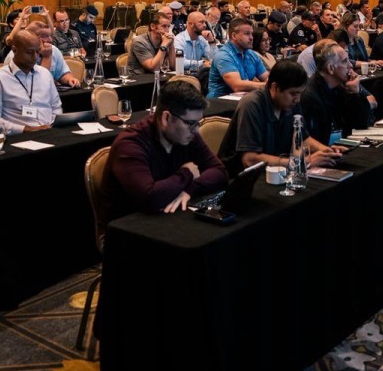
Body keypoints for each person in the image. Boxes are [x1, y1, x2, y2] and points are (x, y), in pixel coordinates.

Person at [100, 80, 228, 231]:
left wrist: (191, 189)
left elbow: (220, 173)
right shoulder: (130, 145)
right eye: (190, 123)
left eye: (197, 123)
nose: (196, 130)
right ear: (166, 118)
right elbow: (150, 199)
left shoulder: (188, 135)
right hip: (127, 231)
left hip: (166, 219)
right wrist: (187, 173)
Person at [217, 60, 340, 176]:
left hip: (276, 173)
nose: (297, 99)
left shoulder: (291, 103)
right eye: (293, 93)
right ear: (275, 87)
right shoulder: (252, 105)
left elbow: (302, 138)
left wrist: (327, 151)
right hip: (240, 180)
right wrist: (302, 162)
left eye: (300, 93)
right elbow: (250, 160)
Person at [0, 31, 62, 134]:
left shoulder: (45, 74)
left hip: (49, 133)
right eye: (29, 52)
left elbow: (56, 107)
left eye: (38, 52)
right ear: (14, 50)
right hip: (18, 137)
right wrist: (26, 129)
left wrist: (53, 125)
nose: (35, 57)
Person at [298, 40, 372, 143]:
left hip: (341, 145)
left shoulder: (340, 88)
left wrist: (356, 92)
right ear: (331, 68)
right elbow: (313, 140)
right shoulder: (309, 97)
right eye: (345, 61)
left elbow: (362, 124)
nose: (350, 65)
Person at [207, 18, 269, 98]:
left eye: (251, 34)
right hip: (219, 102)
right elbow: (237, 86)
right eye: (247, 34)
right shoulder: (223, 56)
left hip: (243, 100)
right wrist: (268, 86)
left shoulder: (252, 54)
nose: (251, 38)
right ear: (234, 36)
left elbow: (266, 78)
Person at [27, 19, 81, 88]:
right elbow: (39, 84)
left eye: (50, 36)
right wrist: (47, 57)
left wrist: (69, 79)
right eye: (44, 36)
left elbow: (62, 74)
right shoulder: (23, 54)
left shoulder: (54, 50)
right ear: (31, 37)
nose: (50, 40)